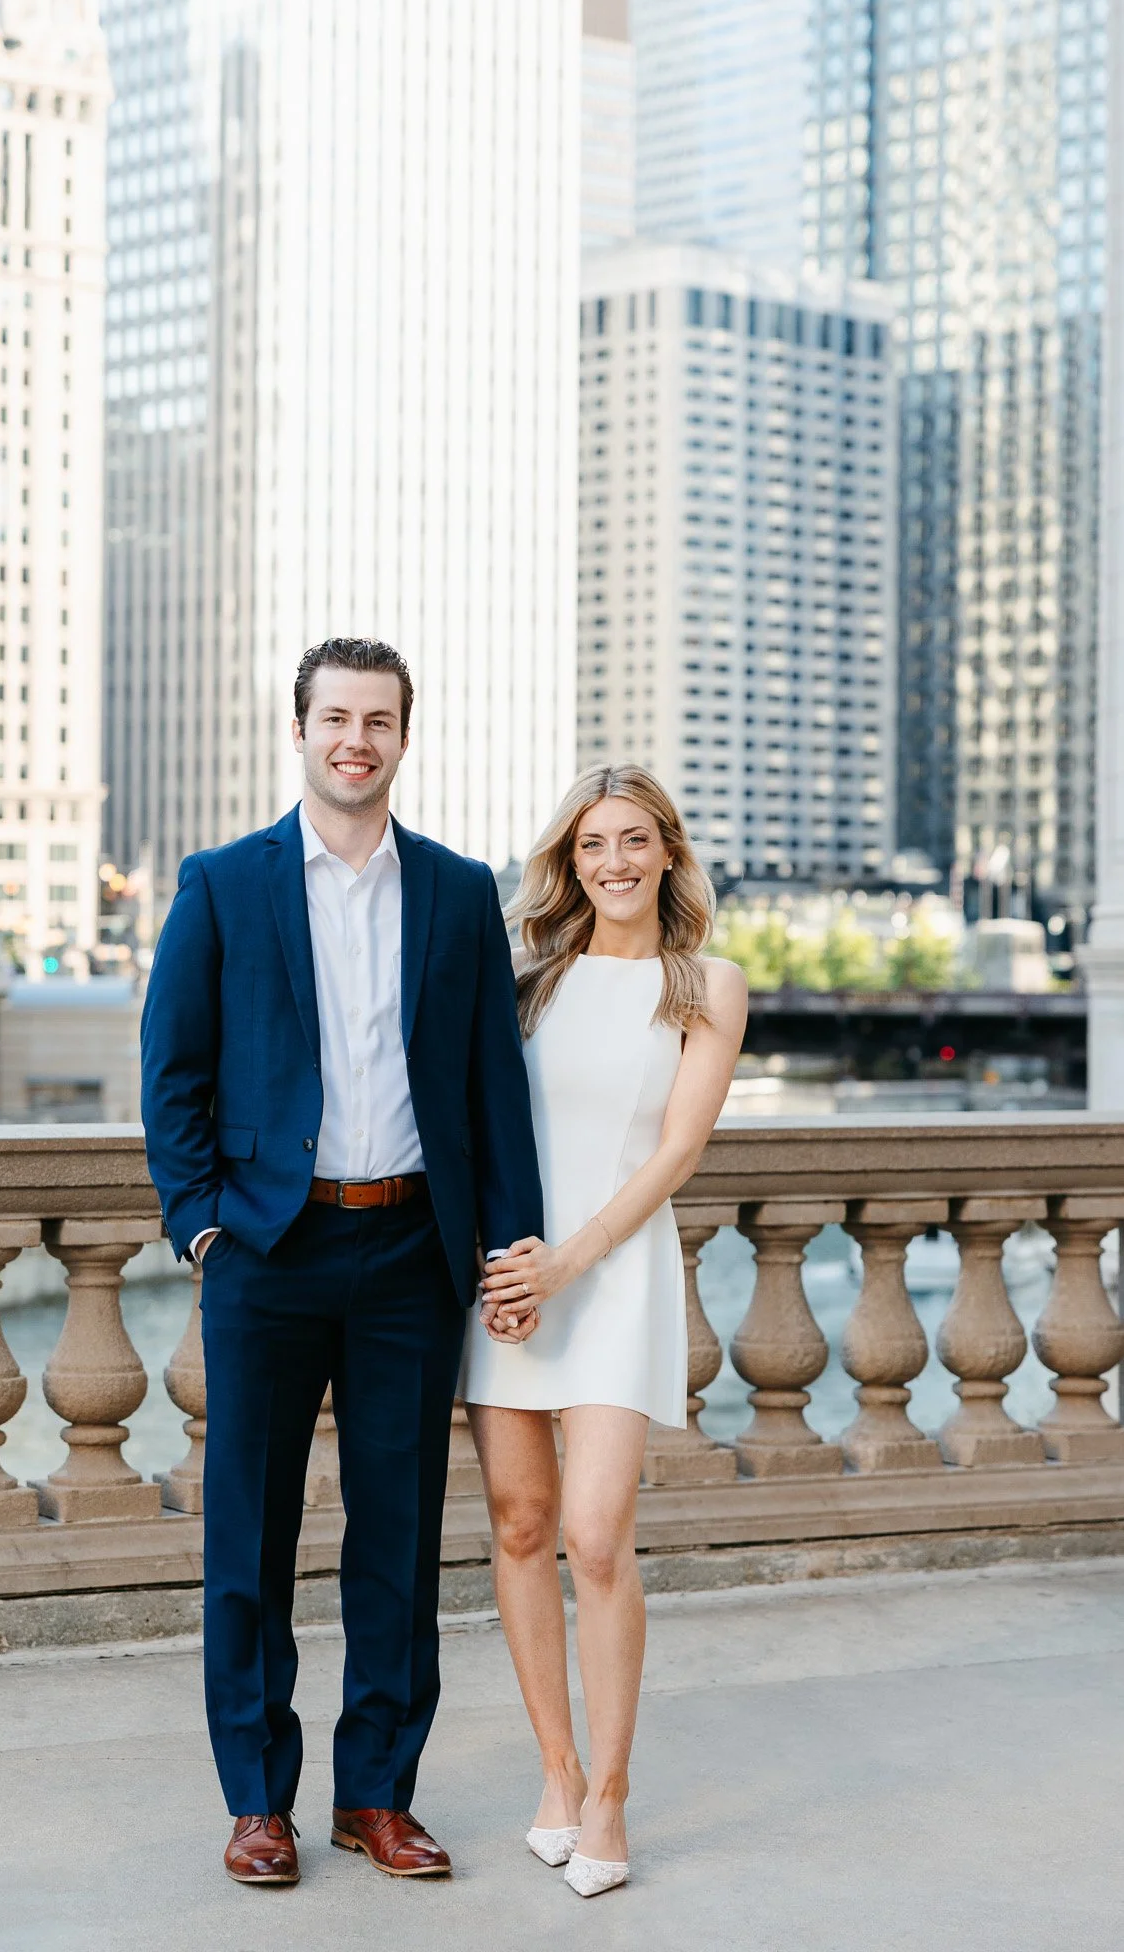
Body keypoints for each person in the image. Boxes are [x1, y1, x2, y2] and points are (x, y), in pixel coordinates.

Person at [140, 637, 543, 1890]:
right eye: (335, 717)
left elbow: (492, 1087)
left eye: (378, 720)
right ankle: (257, 1800)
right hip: (270, 1249)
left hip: (414, 1252)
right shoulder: (223, 883)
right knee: (248, 1539)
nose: (355, 739)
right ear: (301, 730)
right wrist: (203, 1223)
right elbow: (173, 1071)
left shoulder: (459, 892)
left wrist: (509, 1247)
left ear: (403, 738)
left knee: (399, 1540)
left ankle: (378, 1793)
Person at [458, 763, 747, 1899]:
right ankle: (559, 1770)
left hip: (613, 1275)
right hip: (512, 1277)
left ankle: (614, 1790)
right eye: (591, 845)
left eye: (633, 840)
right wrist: (507, 1266)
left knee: (593, 1533)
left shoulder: (706, 986)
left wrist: (568, 1261)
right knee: (520, 1525)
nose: (613, 862)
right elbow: (480, 1128)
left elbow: (677, 1150)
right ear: (567, 862)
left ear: (667, 851)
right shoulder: (527, 981)